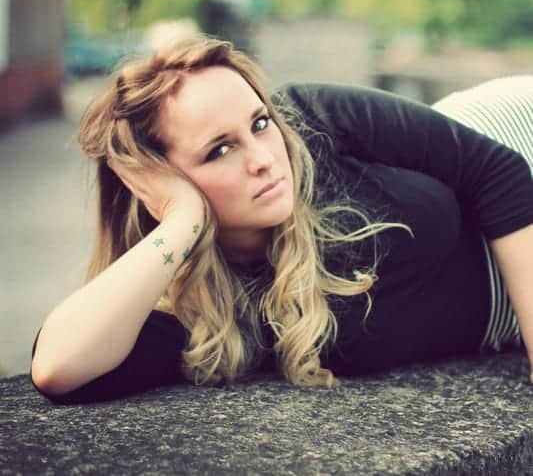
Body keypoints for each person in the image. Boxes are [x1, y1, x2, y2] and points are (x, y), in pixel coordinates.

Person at [29, 36, 533, 404]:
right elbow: (56, 369)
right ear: (158, 183)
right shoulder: (212, 311)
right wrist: (183, 220)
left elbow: (499, 173)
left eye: (259, 123)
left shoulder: (313, 120)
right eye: (219, 150)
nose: (264, 158)